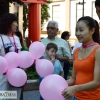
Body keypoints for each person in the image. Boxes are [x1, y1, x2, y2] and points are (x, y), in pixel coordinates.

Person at [62, 16, 100, 100]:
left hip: (93, 97)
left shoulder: (98, 51)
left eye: (81, 30)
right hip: (77, 97)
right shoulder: (76, 51)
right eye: (76, 30)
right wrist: (59, 83)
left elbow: (97, 82)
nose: (78, 33)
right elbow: (73, 79)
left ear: (92, 30)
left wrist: (75, 88)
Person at [0, 13, 22, 100]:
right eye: (15, 22)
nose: (16, 25)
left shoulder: (16, 38)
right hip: (3, 76)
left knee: (15, 97)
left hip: (17, 74)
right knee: (4, 97)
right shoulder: (0, 38)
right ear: (8, 23)